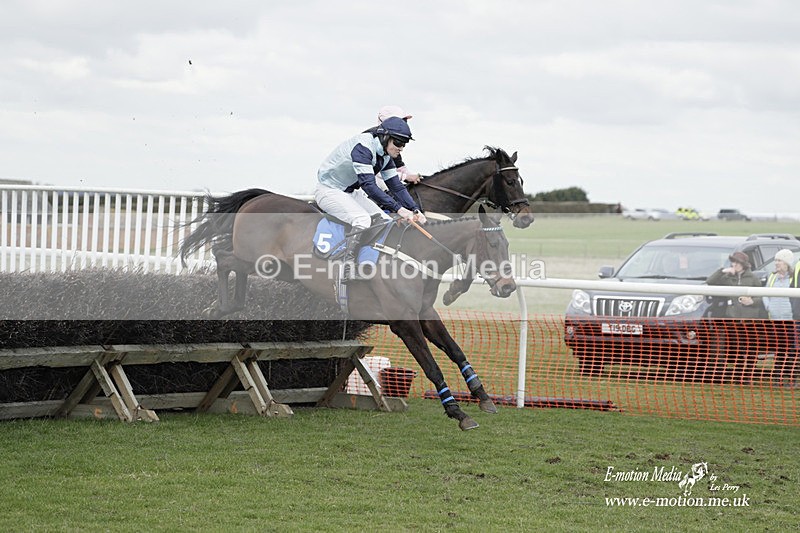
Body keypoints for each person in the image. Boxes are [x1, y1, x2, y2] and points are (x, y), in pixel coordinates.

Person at [316, 116, 426, 281]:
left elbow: (396, 186)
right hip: (329, 190)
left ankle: (369, 261)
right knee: (362, 220)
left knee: (384, 220)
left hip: (349, 192)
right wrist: (400, 209)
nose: (401, 148)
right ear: (385, 137)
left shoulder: (385, 155)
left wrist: (416, 209)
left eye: (404, 144)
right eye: (398, 143)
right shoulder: (363, 148)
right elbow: (369, 186)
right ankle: (347, 266)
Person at [706, 251, 766, 384]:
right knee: (737, 348)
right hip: (732, 318)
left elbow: (762, 296)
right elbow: (710, 281)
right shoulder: (727, 277)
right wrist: (723, 271)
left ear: (744, 264)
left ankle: (748, 375)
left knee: (750, 349)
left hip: (749, 319)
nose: (734, 264)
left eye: (737, 262)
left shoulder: (753, 278)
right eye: (733, 262)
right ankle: (738, 375)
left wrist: (752, 301)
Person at [363, 106, 421, 184]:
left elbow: (400, 166)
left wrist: (412, 176)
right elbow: (374, 172)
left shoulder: (392, 143)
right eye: (402, 121)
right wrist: (405, 177)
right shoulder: (370, 139)